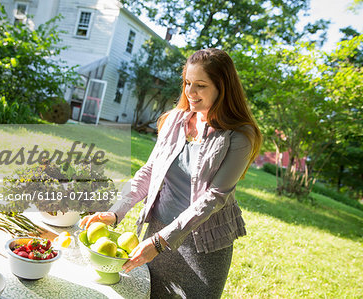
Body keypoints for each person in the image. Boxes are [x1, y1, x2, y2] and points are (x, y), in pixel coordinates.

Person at [80, 48, 262, 298]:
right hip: (157, 229)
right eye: (187, 82)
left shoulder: (240, 136)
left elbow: (215, 197)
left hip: (204, 246)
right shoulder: (175, 120)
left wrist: (160, 242)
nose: (190, 92)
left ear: (222, 88)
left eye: (200, 85)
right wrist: (115, 212)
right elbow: (150, 170)